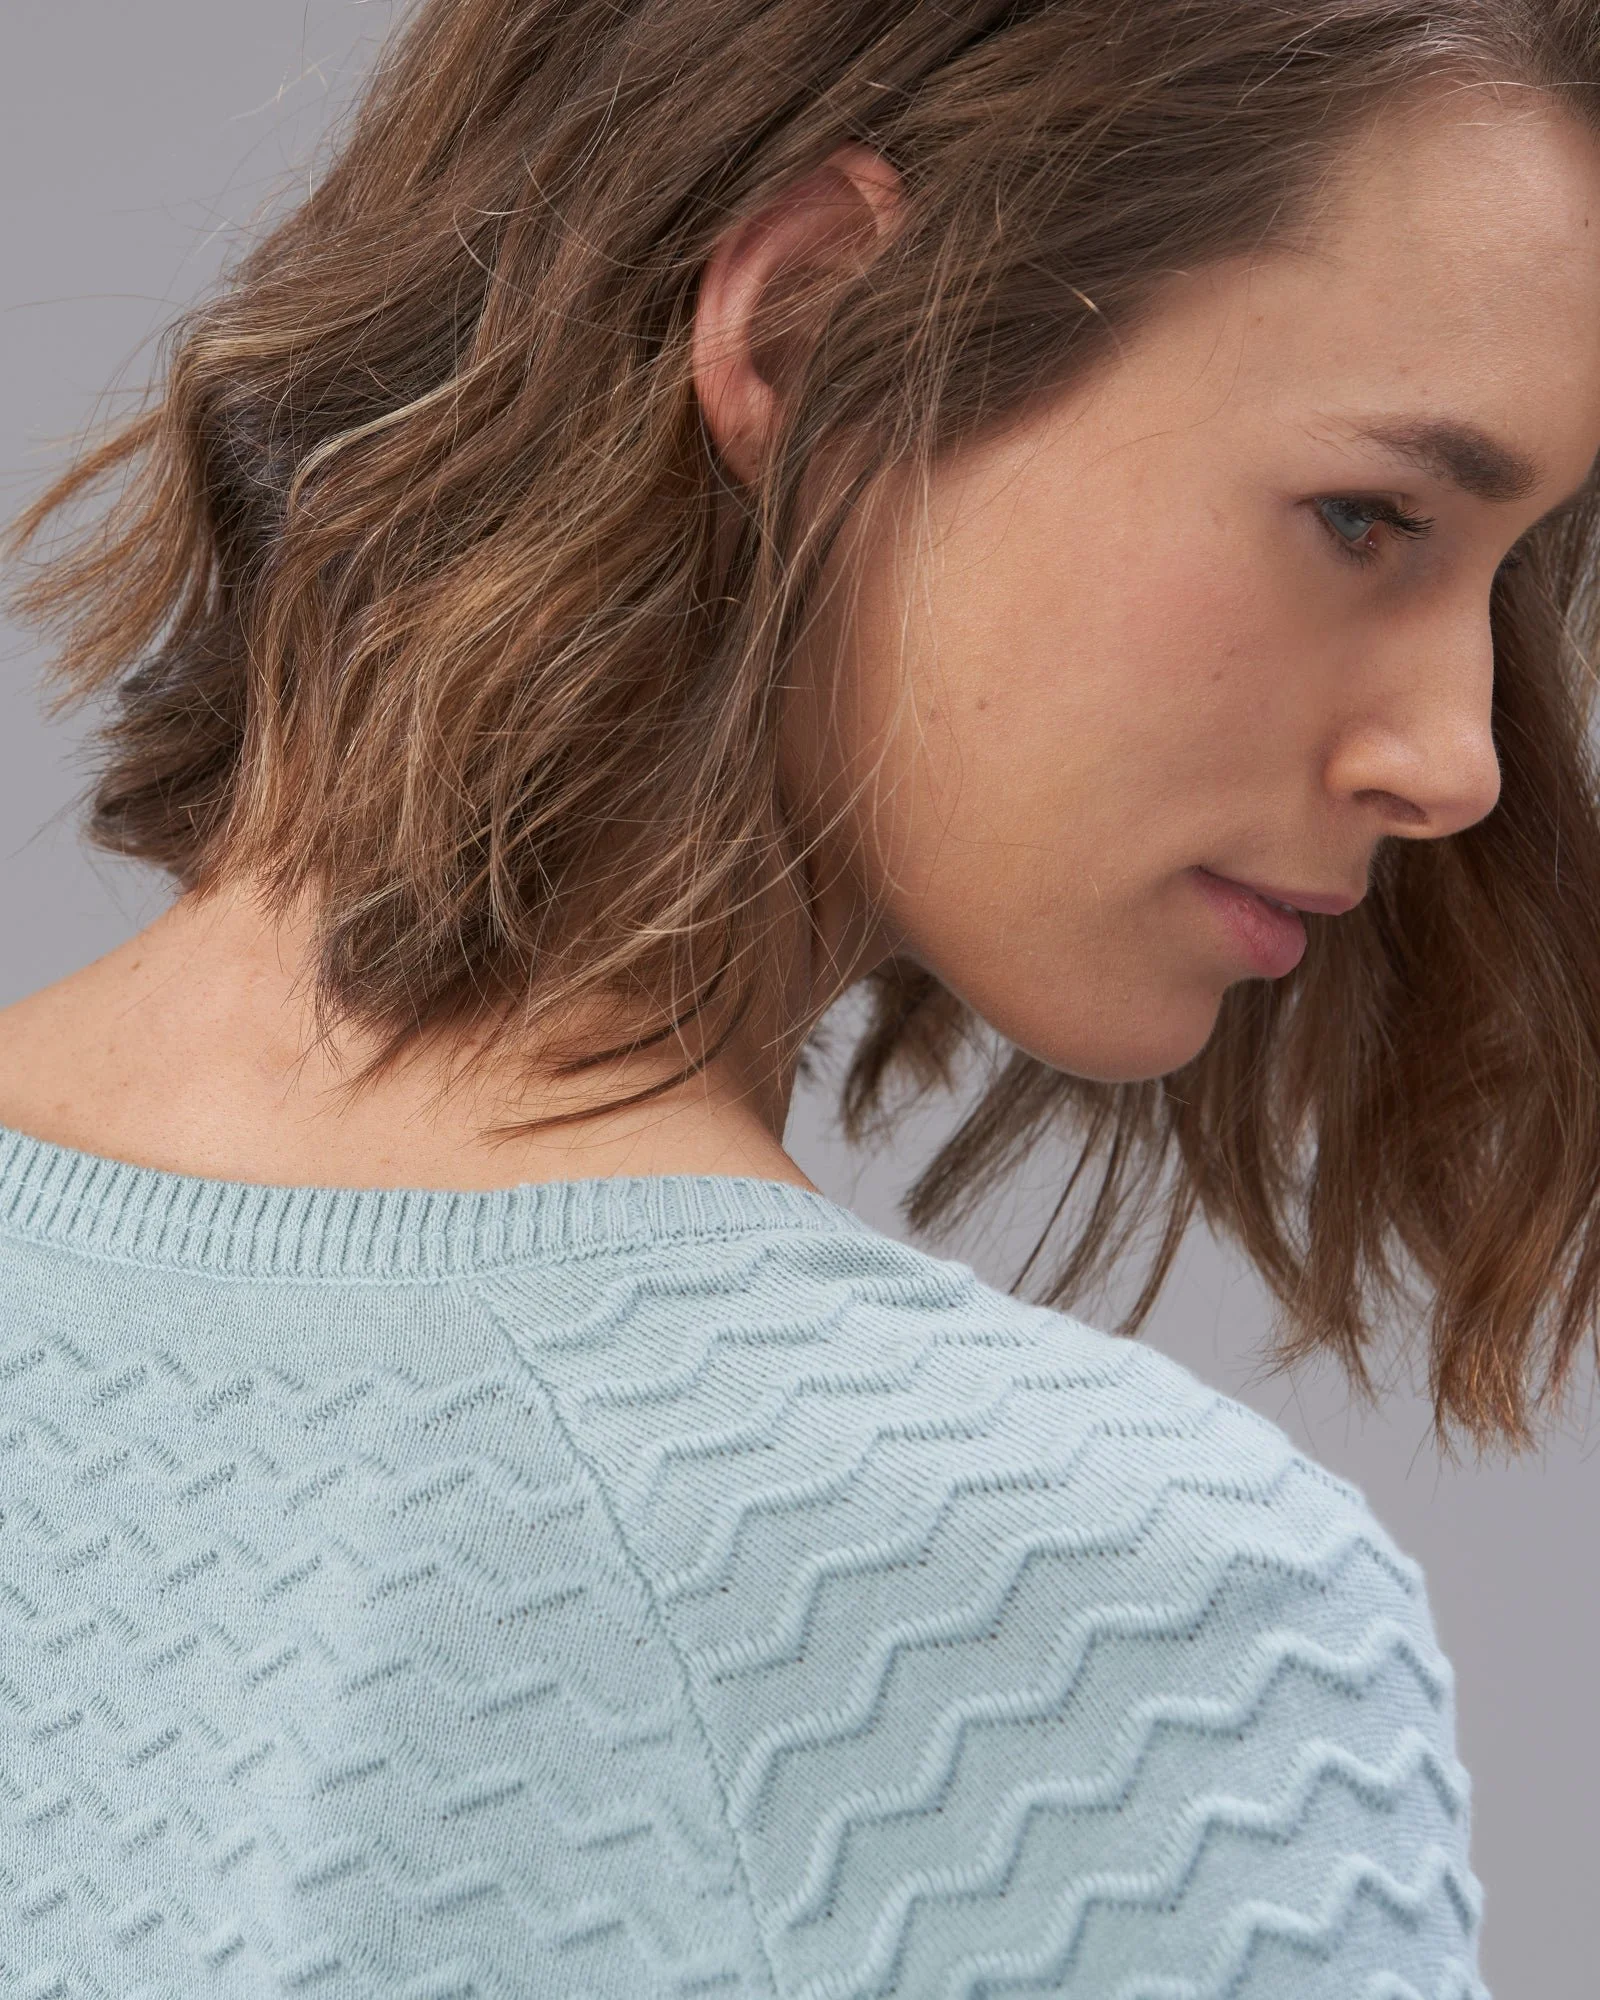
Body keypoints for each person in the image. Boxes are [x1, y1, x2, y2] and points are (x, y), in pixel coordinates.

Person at [4, 0, 1600, 1991]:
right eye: (1368, 519)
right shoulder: (1086, 1616)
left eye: (1510, 571)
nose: (1457, 758)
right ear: (816, 323)